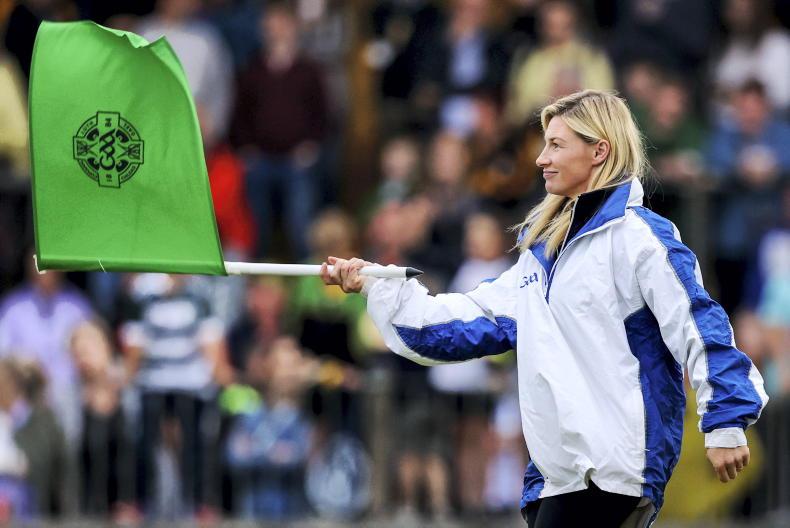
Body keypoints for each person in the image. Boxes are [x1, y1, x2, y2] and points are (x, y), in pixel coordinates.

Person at [320, 90, 768, 527]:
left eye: (556, 145)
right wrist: (376, 285)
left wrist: (726, 422)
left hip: (613, 471)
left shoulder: (640, 239)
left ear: (599, 151)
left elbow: (700, 326)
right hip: (556, 479)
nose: (540, 159)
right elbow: (451, 327)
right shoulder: (539, 256)